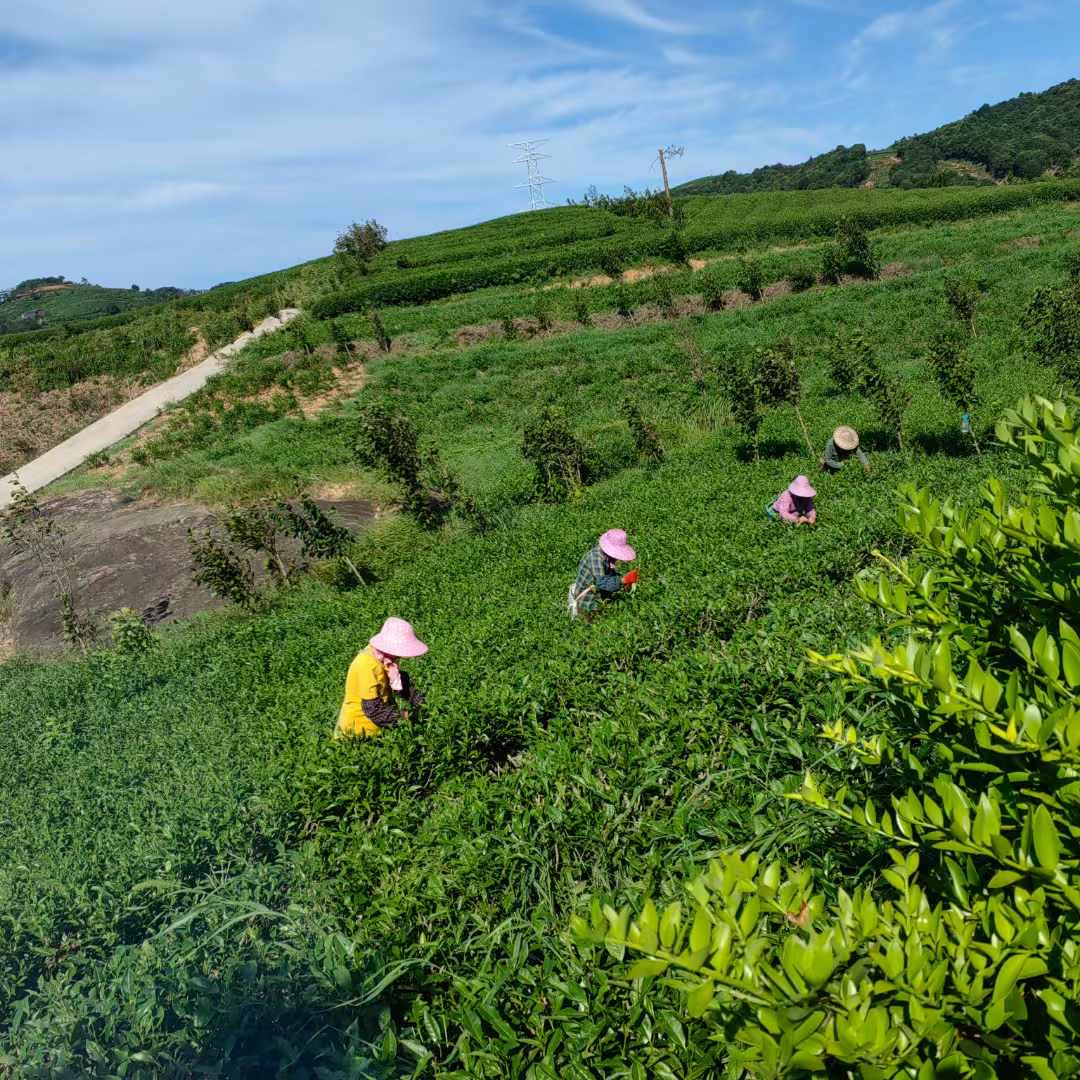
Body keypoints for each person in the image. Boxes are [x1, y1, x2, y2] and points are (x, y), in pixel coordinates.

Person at [335, 617, 427, 738]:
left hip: (379, 729)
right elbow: (373, 710)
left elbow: (401, 684)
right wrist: (406, 716)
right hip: (357, 734)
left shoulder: (385, 658)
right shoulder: (367, 665)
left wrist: (422, 704)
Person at [569, 528, 638, 618]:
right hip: (588, 602)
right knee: (591, 625)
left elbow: (610, 574)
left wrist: (621, 580)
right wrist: (623, 580)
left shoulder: (607, 557)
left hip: (598, 598)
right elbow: (602, 582)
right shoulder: (596, 558)